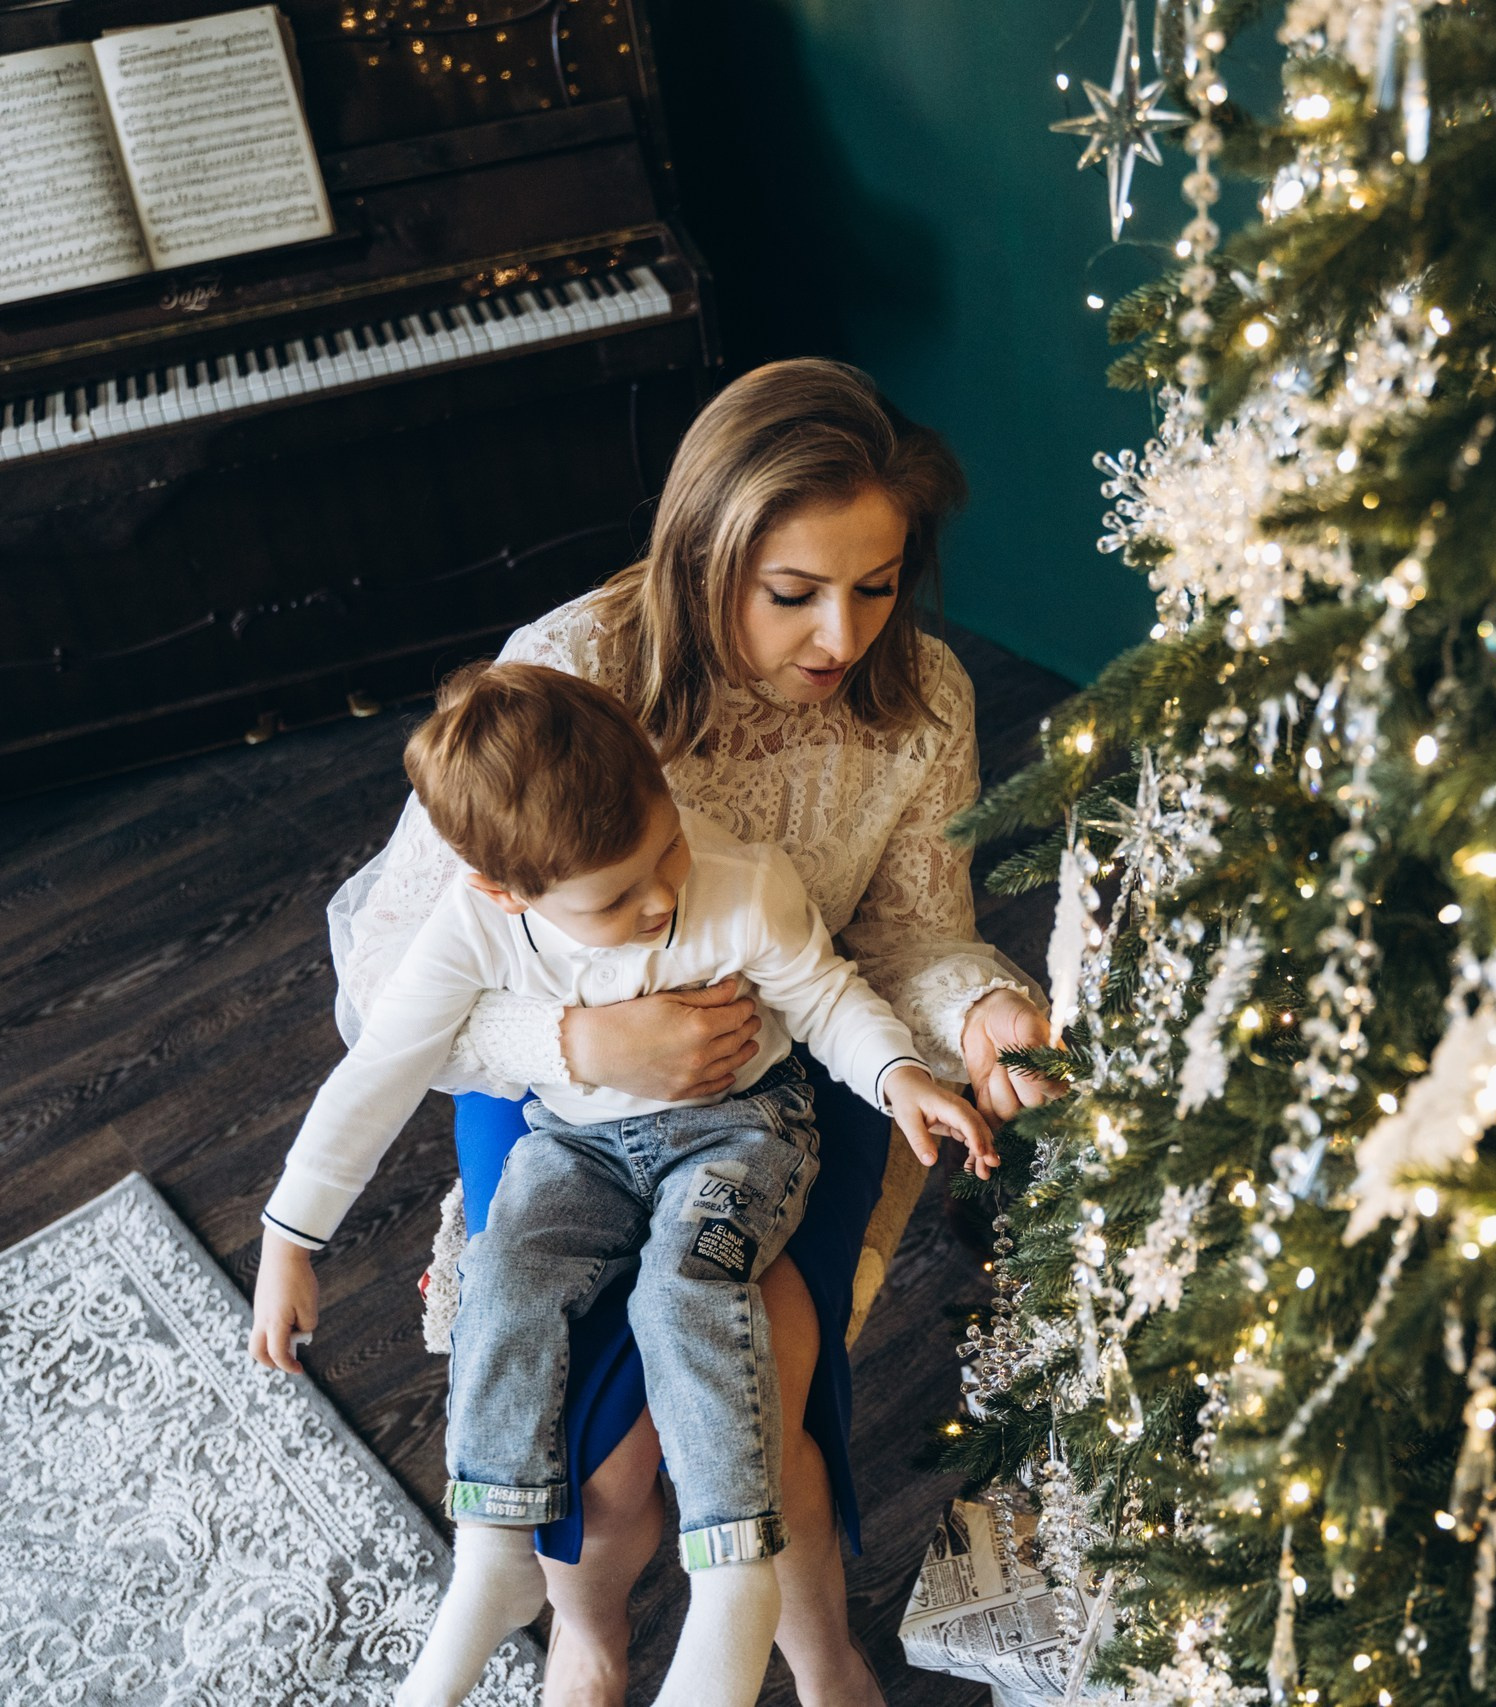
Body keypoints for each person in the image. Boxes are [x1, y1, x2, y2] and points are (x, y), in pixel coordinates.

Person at [326, 358, 1060, 1705]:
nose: (841, 635)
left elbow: (904, 936)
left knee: (751, 1383)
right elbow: (385, 1000)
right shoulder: (564, 671)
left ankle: (813, 1643)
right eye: (793, 593)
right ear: (703, 552)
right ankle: (592, 1633)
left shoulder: (925, 696)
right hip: (557, 1077)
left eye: (880, 581)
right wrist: (589, 1049)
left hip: (783, 1072)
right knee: (601, 1460)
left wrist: (979, 1005)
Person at [252, 662, 995, 1707]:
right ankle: (495, 1555)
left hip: (742, 1131)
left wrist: (900, 1074)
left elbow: (828, 998)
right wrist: (292, 1238)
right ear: (506, 895)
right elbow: (378, 1073)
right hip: (579, 1138)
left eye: (664, 855)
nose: (659, 902)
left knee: (686, 1291)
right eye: (613, 899)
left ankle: (733, 1577)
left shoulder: (735, 881)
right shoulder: (471, 929)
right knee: (504, 1273)